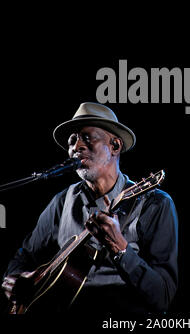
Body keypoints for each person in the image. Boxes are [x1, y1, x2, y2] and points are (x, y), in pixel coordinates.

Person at [1, 102, 178, 316]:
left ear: (115, 146)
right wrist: (14, 279)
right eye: (72, 140)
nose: (77, 147)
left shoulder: (155, 204)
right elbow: (25, 255)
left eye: (87, 137)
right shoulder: (62, 201)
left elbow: (163, 297)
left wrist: (121, 249)